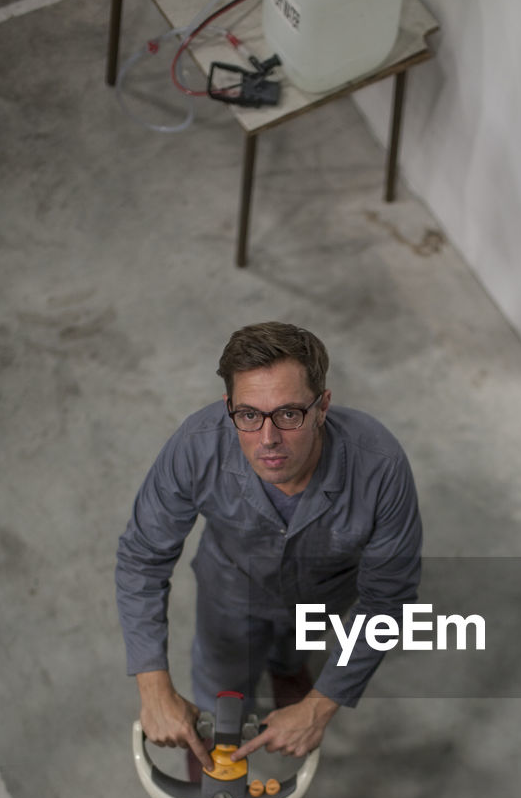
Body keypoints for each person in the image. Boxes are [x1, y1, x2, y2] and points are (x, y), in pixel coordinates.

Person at [116, 321, 422, 771]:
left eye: (289, 414)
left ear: (323, 407)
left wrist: (320, 705)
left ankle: (287, 667)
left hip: (323, 597)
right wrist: (154, 687)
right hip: (231, 594)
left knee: (296, 651)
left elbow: (388, 598)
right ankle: (221, 733)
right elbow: (143, 557)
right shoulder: (197, 448)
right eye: (249, 415)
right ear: (229, 408)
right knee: (222, 694)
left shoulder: (380, 468)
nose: (268, 439)